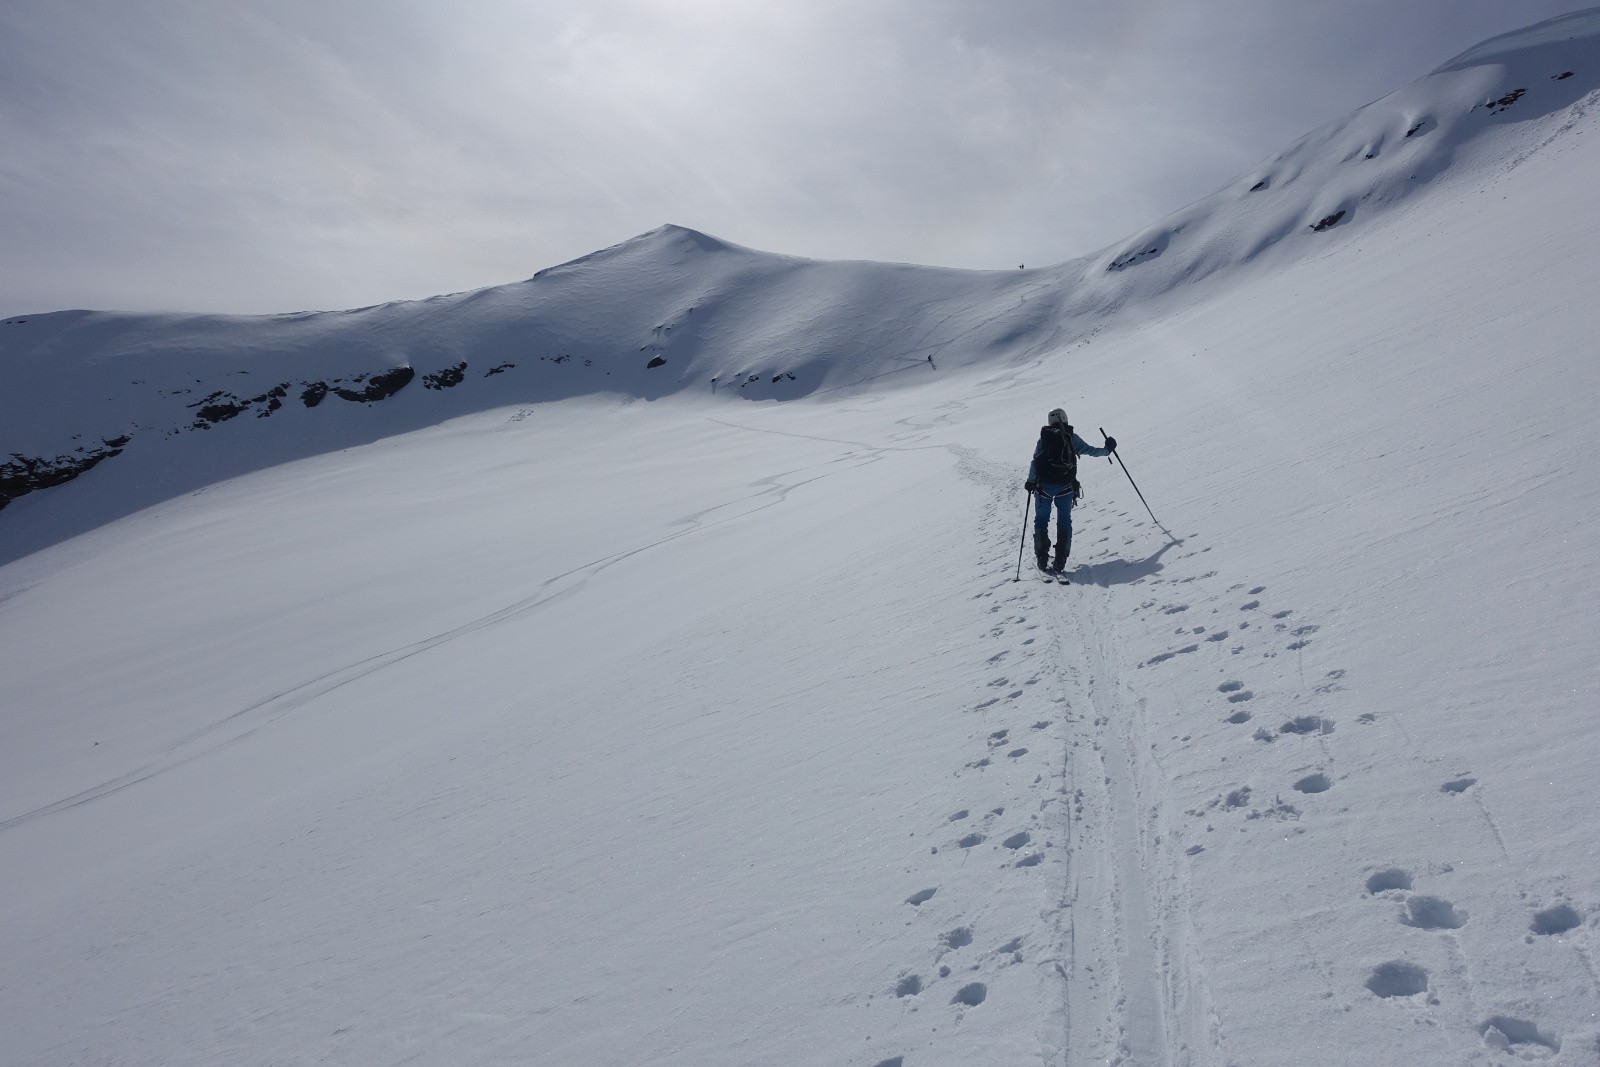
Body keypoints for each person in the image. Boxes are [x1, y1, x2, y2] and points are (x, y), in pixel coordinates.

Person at [1024, 408, 1116, 572]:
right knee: (1064, 520)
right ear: (1065, 418)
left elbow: (1035, 462)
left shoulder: (1044, 438)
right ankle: (1061, 558)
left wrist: (1031, 482)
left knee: (1041, 520)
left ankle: (1041, 557)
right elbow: (1090, 450)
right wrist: (1107, 450)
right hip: (1065, 487)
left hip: (1043, 488)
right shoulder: (1071, 437)